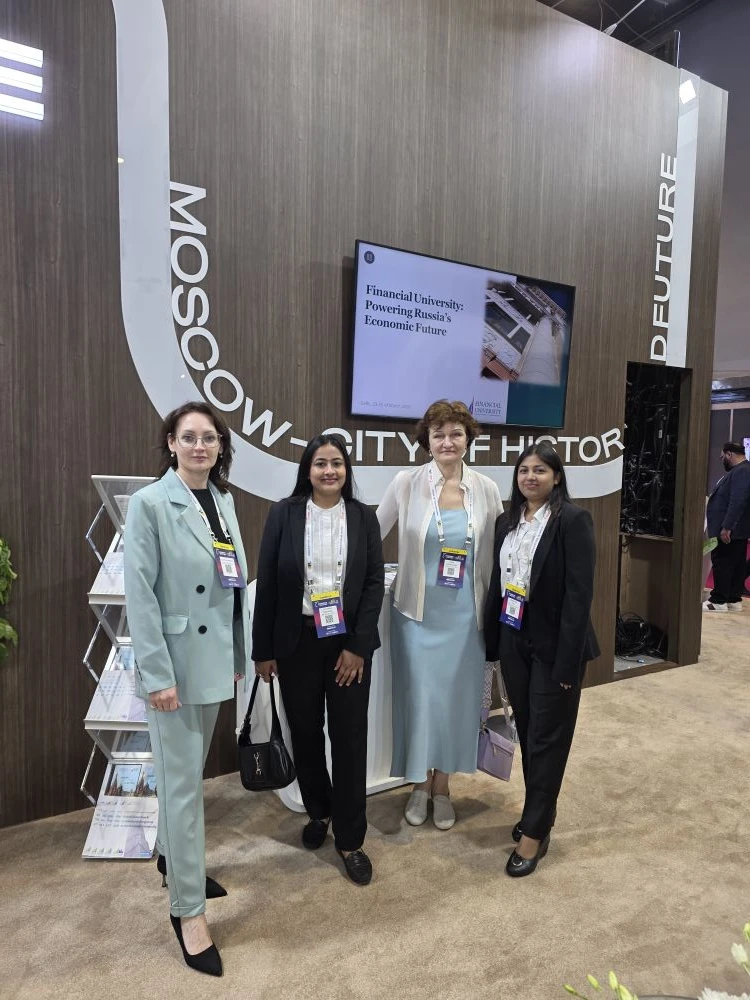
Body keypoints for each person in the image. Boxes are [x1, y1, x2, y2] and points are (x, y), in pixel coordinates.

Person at [124, 401, 250, 977]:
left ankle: (173, 861)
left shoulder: (222, 500)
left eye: (210, 437)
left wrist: (236, 654)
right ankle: (187, 911)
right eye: (189, 437)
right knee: (182, 792)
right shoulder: (151, 503)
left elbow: (233, 587)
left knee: (187, 779)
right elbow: (141, 595)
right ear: (171, 444)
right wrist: (157, 676)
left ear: (220, 446)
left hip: (212, 661)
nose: (200, 446)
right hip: (174, 668)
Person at [252, 434, 384, 886]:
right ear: (307, 470)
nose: (330, 471)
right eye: (320, 463)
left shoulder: (364, 517)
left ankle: (350, 838)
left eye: (337, 463)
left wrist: (358, 647)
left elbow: (373, 585)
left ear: (347, 470)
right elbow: (269, 582)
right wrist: (263, 650)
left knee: (349, 738)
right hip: (297, 642)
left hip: (348, 644)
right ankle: (318, 810)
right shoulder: (284, 514)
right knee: (306, 733)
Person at [376, 400, 503, 830]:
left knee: (454, 702)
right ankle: (418, 784)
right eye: (438, 434)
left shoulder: (486, 488)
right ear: (426, 441)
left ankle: (443, 786)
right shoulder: (406, 483)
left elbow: (500, 551)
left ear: (468, 439)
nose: (447, 442)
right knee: (420, 701)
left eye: (455, 434)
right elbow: (370, 534)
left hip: (466, 618)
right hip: (416, 615)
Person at [484, 443, 599, 877]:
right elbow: (497, 583)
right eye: (524, 470)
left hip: (556, 645)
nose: (530, 477)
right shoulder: (506, 521)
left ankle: (533, 834)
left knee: (549, 738)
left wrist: (568, 664)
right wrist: (492, 643)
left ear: (557, 477)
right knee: (530, 734)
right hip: (513, 636)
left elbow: (579, 596)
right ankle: (540, 815)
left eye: (540, 470)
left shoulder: (573, 520)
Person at [703, 441, 750, 612]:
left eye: (722, 457)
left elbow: (738, 500)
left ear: (729, 454)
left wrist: (727, 526)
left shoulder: (741, 471)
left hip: (729, 529)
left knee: (723, 563)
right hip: (737, 529)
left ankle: (718, 600)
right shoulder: (742, 471)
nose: (722, 459)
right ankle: (732, 599)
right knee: (736, 564)